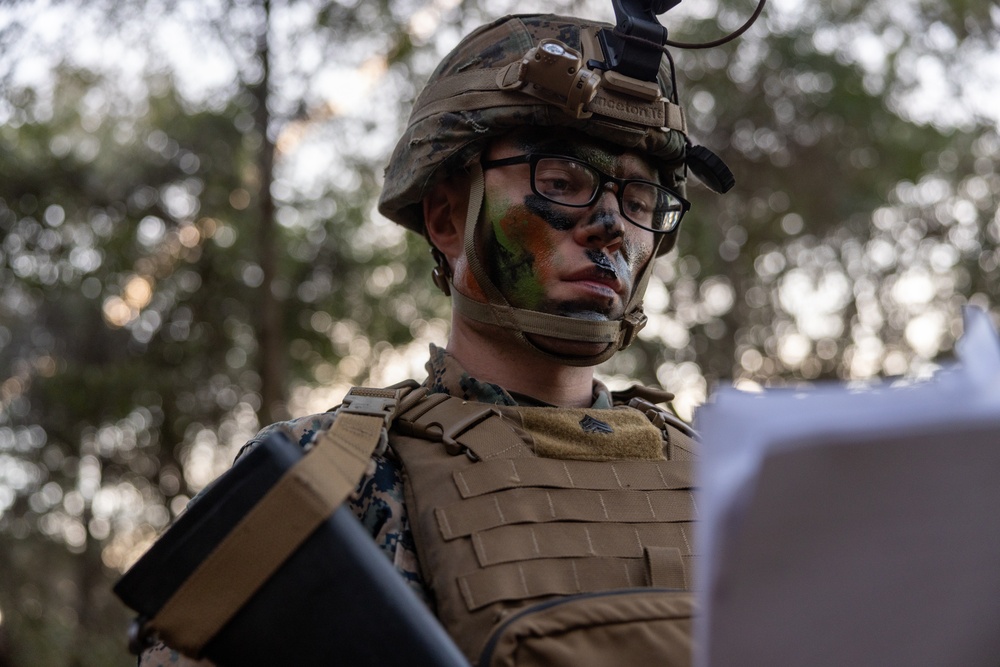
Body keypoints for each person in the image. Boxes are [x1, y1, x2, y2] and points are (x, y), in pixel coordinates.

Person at [139, 11, 721, 666]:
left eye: (640, 199)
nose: (612, 225)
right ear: (446, 216)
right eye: (562, 181)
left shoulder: (731, 479)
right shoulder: (324, 479)